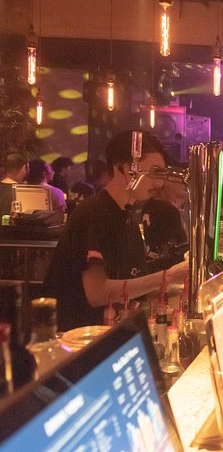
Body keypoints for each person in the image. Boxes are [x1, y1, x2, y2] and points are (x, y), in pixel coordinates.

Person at [44, 130, 189, 331]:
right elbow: (97, 293)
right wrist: (169, 277)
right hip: (78, 337)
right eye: (154, 172)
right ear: (126, 168)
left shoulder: (127, 214)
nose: (159, 183)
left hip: (110, 333)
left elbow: (130, 283)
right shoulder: (93, 212)